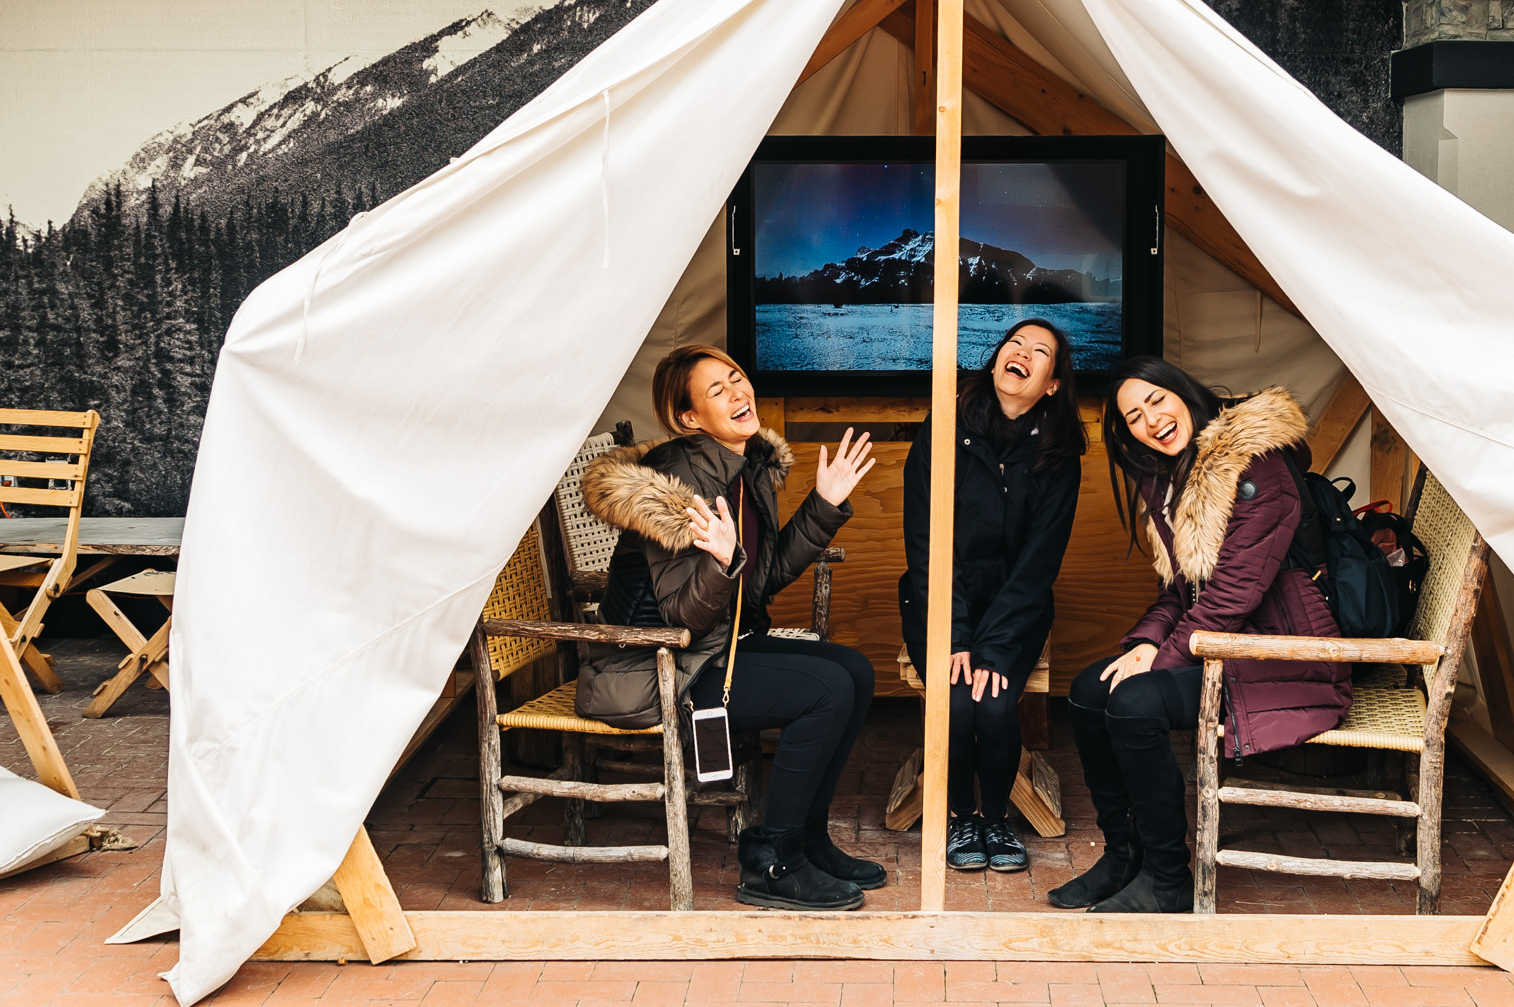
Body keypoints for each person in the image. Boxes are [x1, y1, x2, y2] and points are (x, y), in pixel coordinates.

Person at [578, 344, 883, 911]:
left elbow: (760, 581)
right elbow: (682, 617)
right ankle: (774, 861)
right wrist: (721, 563)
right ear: (689, 418)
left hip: (716, 647)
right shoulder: (676, 481)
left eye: (737, 379)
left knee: (855, 671)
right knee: (827, 691)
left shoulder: (745, 467)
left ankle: (808, 840)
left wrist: (823, 504)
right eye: (717, 391)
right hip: (656, 665)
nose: (738, 393)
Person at [1051, 358, 1351, 914]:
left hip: (1282, 652)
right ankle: (1124, 855)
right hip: (1221, 644)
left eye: (1157, 400)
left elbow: (1235, 591)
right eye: (1134, 416)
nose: (1152, 420)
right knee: (1089, 691)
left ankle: (1168, 878)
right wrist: (1144, 643)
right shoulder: (1175, 479)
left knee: (1136, 701)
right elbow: (1182, 591)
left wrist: (1158, 661)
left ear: (1185, 394)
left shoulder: (1259, 467)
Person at [901, 318, 1084, 875]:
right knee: (957, 700)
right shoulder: (946, 424)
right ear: (997, 358)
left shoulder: (1059, 452)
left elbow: (1038, 565)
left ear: (1051, 383)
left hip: (1016, 607)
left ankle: (997, 817)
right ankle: (961, 816)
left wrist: (997, 647)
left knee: (997, 700)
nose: (1022, 354)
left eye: (1040, 352)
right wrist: (955, 634)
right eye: (1014, 344)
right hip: (937, 597)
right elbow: (926, 541)